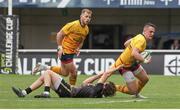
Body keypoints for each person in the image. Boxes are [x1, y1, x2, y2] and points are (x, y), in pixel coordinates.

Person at [33, 9, 92, 86]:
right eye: (86, 16)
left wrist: (78, 48)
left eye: (89, 17)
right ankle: (72, 89)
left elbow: (82, 40)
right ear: (81, 16)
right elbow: (59, 34)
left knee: (64, 73)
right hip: (65, 51)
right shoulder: (73, 25)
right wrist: (60, 47)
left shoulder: (86, 29)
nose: (88, 19)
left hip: (71, 52)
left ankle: (43, 67)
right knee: (74, 72)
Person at [97, 23, 156, 98]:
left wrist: (132, 54)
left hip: (132, 63)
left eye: (153, 32)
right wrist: (144, 60)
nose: (152, 34)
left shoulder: (139, 36)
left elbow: (125, 44)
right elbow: (134, 53)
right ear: (144, 31)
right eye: (150, 32)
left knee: (145, 79)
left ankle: (136, 94)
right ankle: (111, 86)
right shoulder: (141, 40)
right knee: (132, 91)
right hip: (123, 65)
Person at [11, 70, 116, 98]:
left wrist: (117, 67)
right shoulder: (96, 92)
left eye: (105, 83)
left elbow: (106, 74)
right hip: (68, 91)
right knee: (44, 77)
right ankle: (24, 92)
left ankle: (46, 93)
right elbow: (85, 83)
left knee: (48, 72)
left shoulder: (97, 89)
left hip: (69, 90)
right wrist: (97, 76)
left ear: (105, 86)